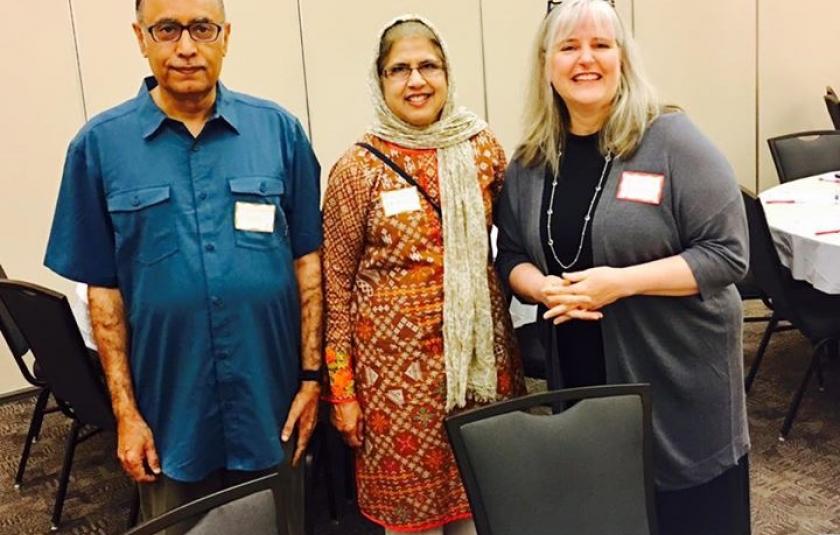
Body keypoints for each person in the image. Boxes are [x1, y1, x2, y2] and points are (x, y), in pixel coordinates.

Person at [43, 0, 322, 533]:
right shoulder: (99, 147)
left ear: (226, 36)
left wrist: (311, 381)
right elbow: (102, 295)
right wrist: (124, 415)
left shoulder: (278, 132)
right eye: (167, 29)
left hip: (271, 404)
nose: (187, 47)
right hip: (170, 413)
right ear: (140, 37)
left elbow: (308, 263)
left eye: (202, 28)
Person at [495, 1, 751, 534]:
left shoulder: (672, 141)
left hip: (677, 381)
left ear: (623, 58)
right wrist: (541, 288)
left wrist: (620, 284)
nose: (585, 59)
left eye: (600, 45)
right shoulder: (530, 161)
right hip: (584, 377)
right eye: (568, 47)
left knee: (687, 516)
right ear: (546, 63)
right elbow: (512, 255)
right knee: (606, 508)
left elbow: (728, 254)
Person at [322, 15, 524, 535]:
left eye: (428, 65)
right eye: (400, 69)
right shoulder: (357, 169)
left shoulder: (482, 150)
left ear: (447, 72)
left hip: (481, 370)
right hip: (394, 390)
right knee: (412, 525)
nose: (417, 81)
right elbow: (336, 287)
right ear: (380, 79)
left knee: (479, 504)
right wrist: (341, 389)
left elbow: (518, 242)